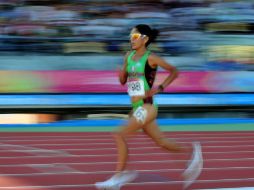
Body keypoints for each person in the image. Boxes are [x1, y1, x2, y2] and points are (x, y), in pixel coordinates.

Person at [95, 24, 203, 190]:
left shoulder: (151, 58)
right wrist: (121, 72)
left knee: (119, 135)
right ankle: (191, 151)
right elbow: (123, 81)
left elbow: (174, 71)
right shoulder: (128, 56)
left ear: (145, 39)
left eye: (135, 36)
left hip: (147, 107)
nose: (132, 39)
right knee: (162, 143)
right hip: (136, 107)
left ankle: (119, 177)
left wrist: (159, 88)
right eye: (131, 36)